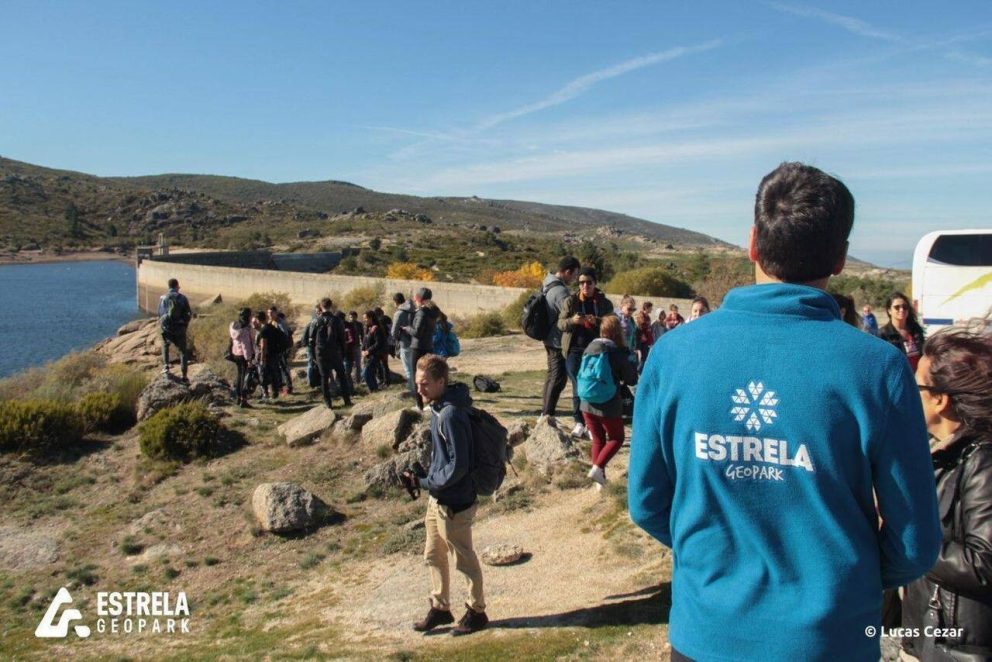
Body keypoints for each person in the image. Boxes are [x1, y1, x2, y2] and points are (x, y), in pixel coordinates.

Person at [628, 162, 942, 661]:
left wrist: (713, 563)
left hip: (704, 634)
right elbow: (916, 542)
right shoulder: (877, 367)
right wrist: (842, 582)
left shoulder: (673, 355)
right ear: (840, 259)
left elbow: (647, 502)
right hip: (830, 640)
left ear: (753, 243)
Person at [902, 326, 992, 660]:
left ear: (940, 400)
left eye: (916, 387)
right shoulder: (937, 449)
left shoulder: (982, 460)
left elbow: (984, 564)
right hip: (928, 637)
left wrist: (906, 534)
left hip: (960, 648)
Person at [403, 354, 488, 636]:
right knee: (433, 553)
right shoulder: (438, 408)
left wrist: (426, 481)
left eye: (425, 384)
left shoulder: (450, 414)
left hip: (454, 502)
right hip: (438, 497)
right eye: (417, 383)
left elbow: (458, 465)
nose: (419, 389)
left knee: (463, 558)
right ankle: (440, 608)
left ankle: (477, 611)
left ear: (441, 382)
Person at [579, 315, 638, 489]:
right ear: (617, 332)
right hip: (608, 403)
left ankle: (600, 479)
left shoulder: (590, 347)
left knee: (598, 440)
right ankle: (598, 468)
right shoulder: (617, 352)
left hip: (586, 401)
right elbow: (631, 379)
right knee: (617, 438)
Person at [558, 267, 614, 439]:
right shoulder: (571, 301)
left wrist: (596, 321)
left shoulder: (604, 303)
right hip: (574, 349)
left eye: (589, 282)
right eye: (581, 282)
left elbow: (612, 324)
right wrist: (573, 321)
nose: (585, 286)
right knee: (578, 386)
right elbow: (560, 324)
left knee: (592, 386)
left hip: (595, 351)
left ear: (595, 283)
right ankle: (579, 421)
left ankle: (592, 424)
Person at [540, 256, 580, 421]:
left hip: (549, 337)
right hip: (557, 340)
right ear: (568, 272)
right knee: (558, 378)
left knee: (552, 376)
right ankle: (547, 415)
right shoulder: (561, 291)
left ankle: (545, 413)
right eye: (575, 275)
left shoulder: (547, 282)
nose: (575, 279)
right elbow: (568, 315)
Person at [309, 298, 353, 408]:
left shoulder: (316, 321)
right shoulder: (337, 320)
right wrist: (343, 352)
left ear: (321, 306)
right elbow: (342, 338)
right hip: (335, 351)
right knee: (342, 376)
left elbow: (311, 340)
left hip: (320, 352)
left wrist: (313, 355)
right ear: (331, 306)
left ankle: (328, 403)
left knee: (324, 378)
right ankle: (347, 400)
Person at [405, 288, 440, 409]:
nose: (414, 301)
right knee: (429, 375)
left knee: (417, 376)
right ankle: (430, 402)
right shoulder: (433, 311)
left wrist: (407, 328)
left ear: (419, 299)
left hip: (418, 347)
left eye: (415, 299)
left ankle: (419, 405)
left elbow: (417, 332)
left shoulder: (422, 312)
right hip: (429, 346)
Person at [157, 278, 193, 383]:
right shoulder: (183, 298)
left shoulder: (163, 298)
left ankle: (166, 366)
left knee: (165, 345)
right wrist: (184, 325)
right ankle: (184, 376)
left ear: (168, 286)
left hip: (167, 328)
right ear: (177, 286)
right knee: (183, 351)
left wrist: (163, 325)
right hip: (180, 328)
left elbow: (160, 313)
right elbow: (189, 314)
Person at [880, 292, 926, 372]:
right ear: (889, 311)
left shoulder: (916, 329)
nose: (901, 310)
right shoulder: (883, 334)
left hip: (917, 376)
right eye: (897, 307)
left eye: (905, 307)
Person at [252, 310, 282, 400]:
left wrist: (262, 359)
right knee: (273, 373)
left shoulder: (263, 330)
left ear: (258, 320)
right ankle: (275, 392)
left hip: (267, 355)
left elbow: (263, 346)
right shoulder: (272, 327)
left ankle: (266, 394)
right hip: (275, 354)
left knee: (263, 375)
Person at [228, 307, 255, 408]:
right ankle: (243, 400)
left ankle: (238, 398)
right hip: (243, 356)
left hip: (235, 354)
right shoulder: (245, 329)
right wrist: (249, 359)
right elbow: (245, 346)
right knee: (245, 378)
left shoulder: (233, 325)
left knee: (239, 376)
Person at [392, 292, 416, 396]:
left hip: (405, 343)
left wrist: (397, 338)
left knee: (408, 368)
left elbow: (393, 332)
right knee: (414, 367)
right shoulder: (415, 311)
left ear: (395, 302)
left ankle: (412, 390)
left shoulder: (399, 313)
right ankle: (418, 388)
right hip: (416, 343)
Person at [361, 310, 387, 393]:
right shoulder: (367, 328)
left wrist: (368, 351)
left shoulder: (376, 328)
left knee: (366, 373)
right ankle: (374, 389)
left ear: (371, 318)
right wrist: (363, 350)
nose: (364, 320)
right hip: (368, 355)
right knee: (370, 373)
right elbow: (364, 341)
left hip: (374, 355)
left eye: (366, 318)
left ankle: (373, 389)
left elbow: (378, 343)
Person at [272, 309, 294, 395]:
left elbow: (285, 336)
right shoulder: (275, 322)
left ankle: (288, 387)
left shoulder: (281, 323)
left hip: (282, 349)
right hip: (279, 349)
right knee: (280, 368)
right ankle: (282, 387)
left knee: (284, 368)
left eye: (271, 313)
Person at [634, 301, 654, 372]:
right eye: (650, 308)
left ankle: (639, 371)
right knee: (641, 357)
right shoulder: (641, 315)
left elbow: (648, 328)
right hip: (642, 341)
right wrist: (642, 335)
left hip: (647, 340)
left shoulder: (647, 317)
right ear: (646, 308)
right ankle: (638, 371)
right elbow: (641, 326)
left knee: (644, 358)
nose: (651, 309)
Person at [344, 311, 362, 387]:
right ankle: (351, 380)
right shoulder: (347, 324)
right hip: (349, 347)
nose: (352, 319)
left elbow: (362, 334)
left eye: (353, 317)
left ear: (356, 317)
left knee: (358, 364)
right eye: (351, 317)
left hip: (357, 346)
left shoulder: (359, 324)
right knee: (350, 364)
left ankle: (358, 380)